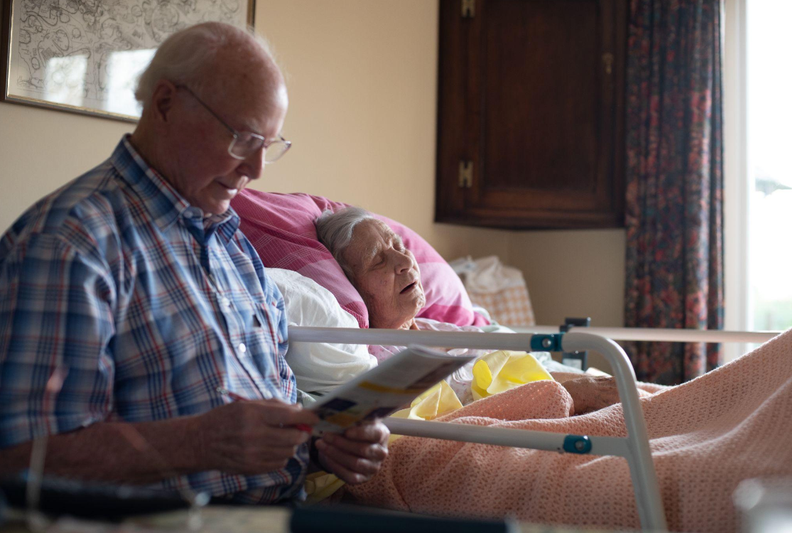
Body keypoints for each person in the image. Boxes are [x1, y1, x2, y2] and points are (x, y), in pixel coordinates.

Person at [0, 22, 388, 503]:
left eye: (267, 146)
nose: (255, 171)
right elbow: (20, 458)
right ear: (165, 104)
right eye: (242, 138)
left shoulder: (232, 247)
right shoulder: (71, 243)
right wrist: (198, 443)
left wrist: (322, 447)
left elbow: (268, 431)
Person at [315, 206, 626, 415]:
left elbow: (531, 371)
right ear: (350, 286)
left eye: (399, 246)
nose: (405, 262)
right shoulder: (376, 362)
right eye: (378, 260)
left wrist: (599, 387)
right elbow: (452, 423)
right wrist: (568, 395)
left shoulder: (443, 330)